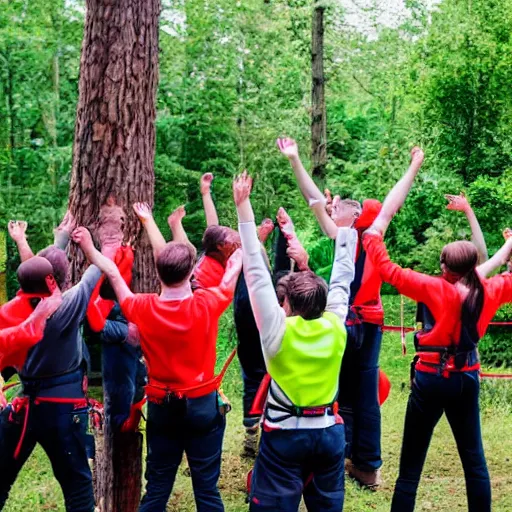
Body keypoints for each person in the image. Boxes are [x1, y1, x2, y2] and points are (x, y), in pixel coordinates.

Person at [363, 146, 512, 512]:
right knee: (474, 461)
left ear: (445, 267)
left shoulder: (434, 288)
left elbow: (388, 269)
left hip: (431, 378)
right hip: (467, 377)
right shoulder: (489, 288)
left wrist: (376, 231)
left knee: (411, 464)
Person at [73, 202, 243, 512]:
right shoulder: (208, 302)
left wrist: (88, 246)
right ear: (191, 272)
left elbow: (110, 271)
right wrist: (245, 243)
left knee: (157, 489)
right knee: (206, 490)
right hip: (202, 405)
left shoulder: (142, 307)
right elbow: (231, 272)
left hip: (163, 405)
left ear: (157, 272)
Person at [234, 171, 357, 511]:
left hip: (284, 436)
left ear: (286, 305)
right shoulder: (336, 328)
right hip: (329, 435)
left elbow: (255, 274)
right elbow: (343, 277)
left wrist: (243, 209)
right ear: (322, 301)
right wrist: (344, 229)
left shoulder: (278, 333)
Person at [277, 137, 395, 486]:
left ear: (356, 215)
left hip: (348, 321)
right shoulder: (374, 238)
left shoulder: (346, 237)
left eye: (342, 206)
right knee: (367, 393)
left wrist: (296, 160)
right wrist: (413, 167)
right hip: (372, 322)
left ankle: (338, 457)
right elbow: (388, 205)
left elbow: (314, 200)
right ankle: (368, 467)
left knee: (338, 390)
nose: (335, 207)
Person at [0, 222, 112, 511]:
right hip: (63, 411)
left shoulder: (11, 311)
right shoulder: (68, 304)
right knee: (77, 489)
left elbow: (36, 276)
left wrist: (58, 240)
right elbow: (94, 272)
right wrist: (103, 244)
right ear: (60, 280)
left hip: (24, 409)